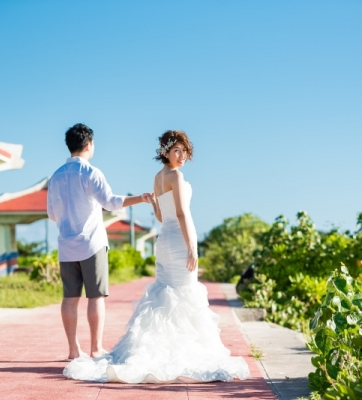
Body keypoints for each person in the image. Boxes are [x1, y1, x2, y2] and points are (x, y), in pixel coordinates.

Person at [63, 130, 251, 383]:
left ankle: (158, 349)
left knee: (167, 293)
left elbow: (162, 217)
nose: (181, 155)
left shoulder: (158, 177)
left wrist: (153, 204)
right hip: (180, 240)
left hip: (165, 240)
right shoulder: (175, 175)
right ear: (165, 152)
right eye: (177, 150)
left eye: (184, 151)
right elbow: (182, 214)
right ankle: (181, 351)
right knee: (183, 293)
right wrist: (193, 248)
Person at [47, 123, 151, 360]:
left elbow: (52, 214)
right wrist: (141, 198)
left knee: (69, 298)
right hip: (91, 244)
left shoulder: (55, 177)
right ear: (88, 144)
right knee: (95, 296)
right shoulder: (91, 172)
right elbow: (111, 202)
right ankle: (95, 349)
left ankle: (73, 350)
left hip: (66, 245)